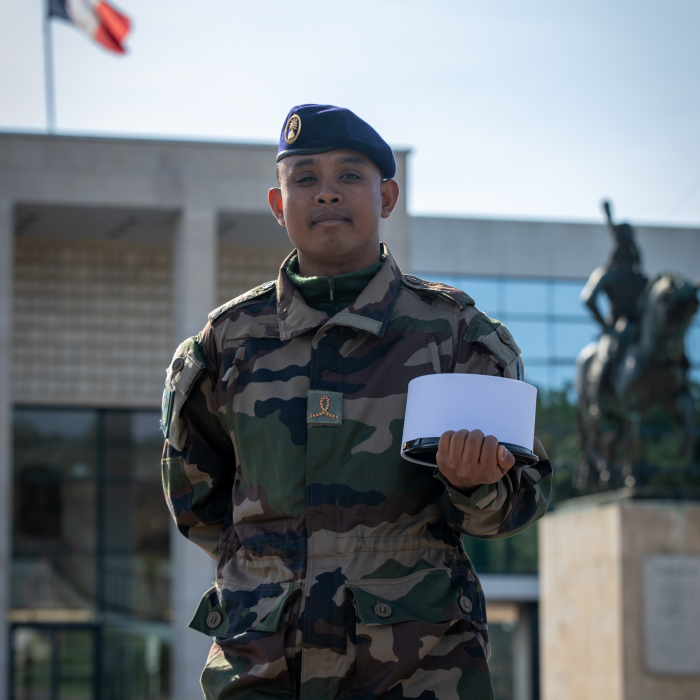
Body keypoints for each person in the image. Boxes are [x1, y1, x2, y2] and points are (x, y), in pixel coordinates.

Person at [160, 103, 552, 700]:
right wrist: (278, 556)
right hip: (262, 666)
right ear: (278, 204)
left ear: (388, 197)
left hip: (416, 667)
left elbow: (519, 500)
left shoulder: (452, 334)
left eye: (349, 176)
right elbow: (196, 502)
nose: (326, 194)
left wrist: (475, 486)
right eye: (306, 178)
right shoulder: (228, 342)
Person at [580, 201, 648, 414]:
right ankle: (598, 403)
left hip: (638, 329)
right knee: (607, 358)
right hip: (617, 329)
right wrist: (605, 325)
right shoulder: (608, 275)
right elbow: (588, 299)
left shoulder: (641, 279)